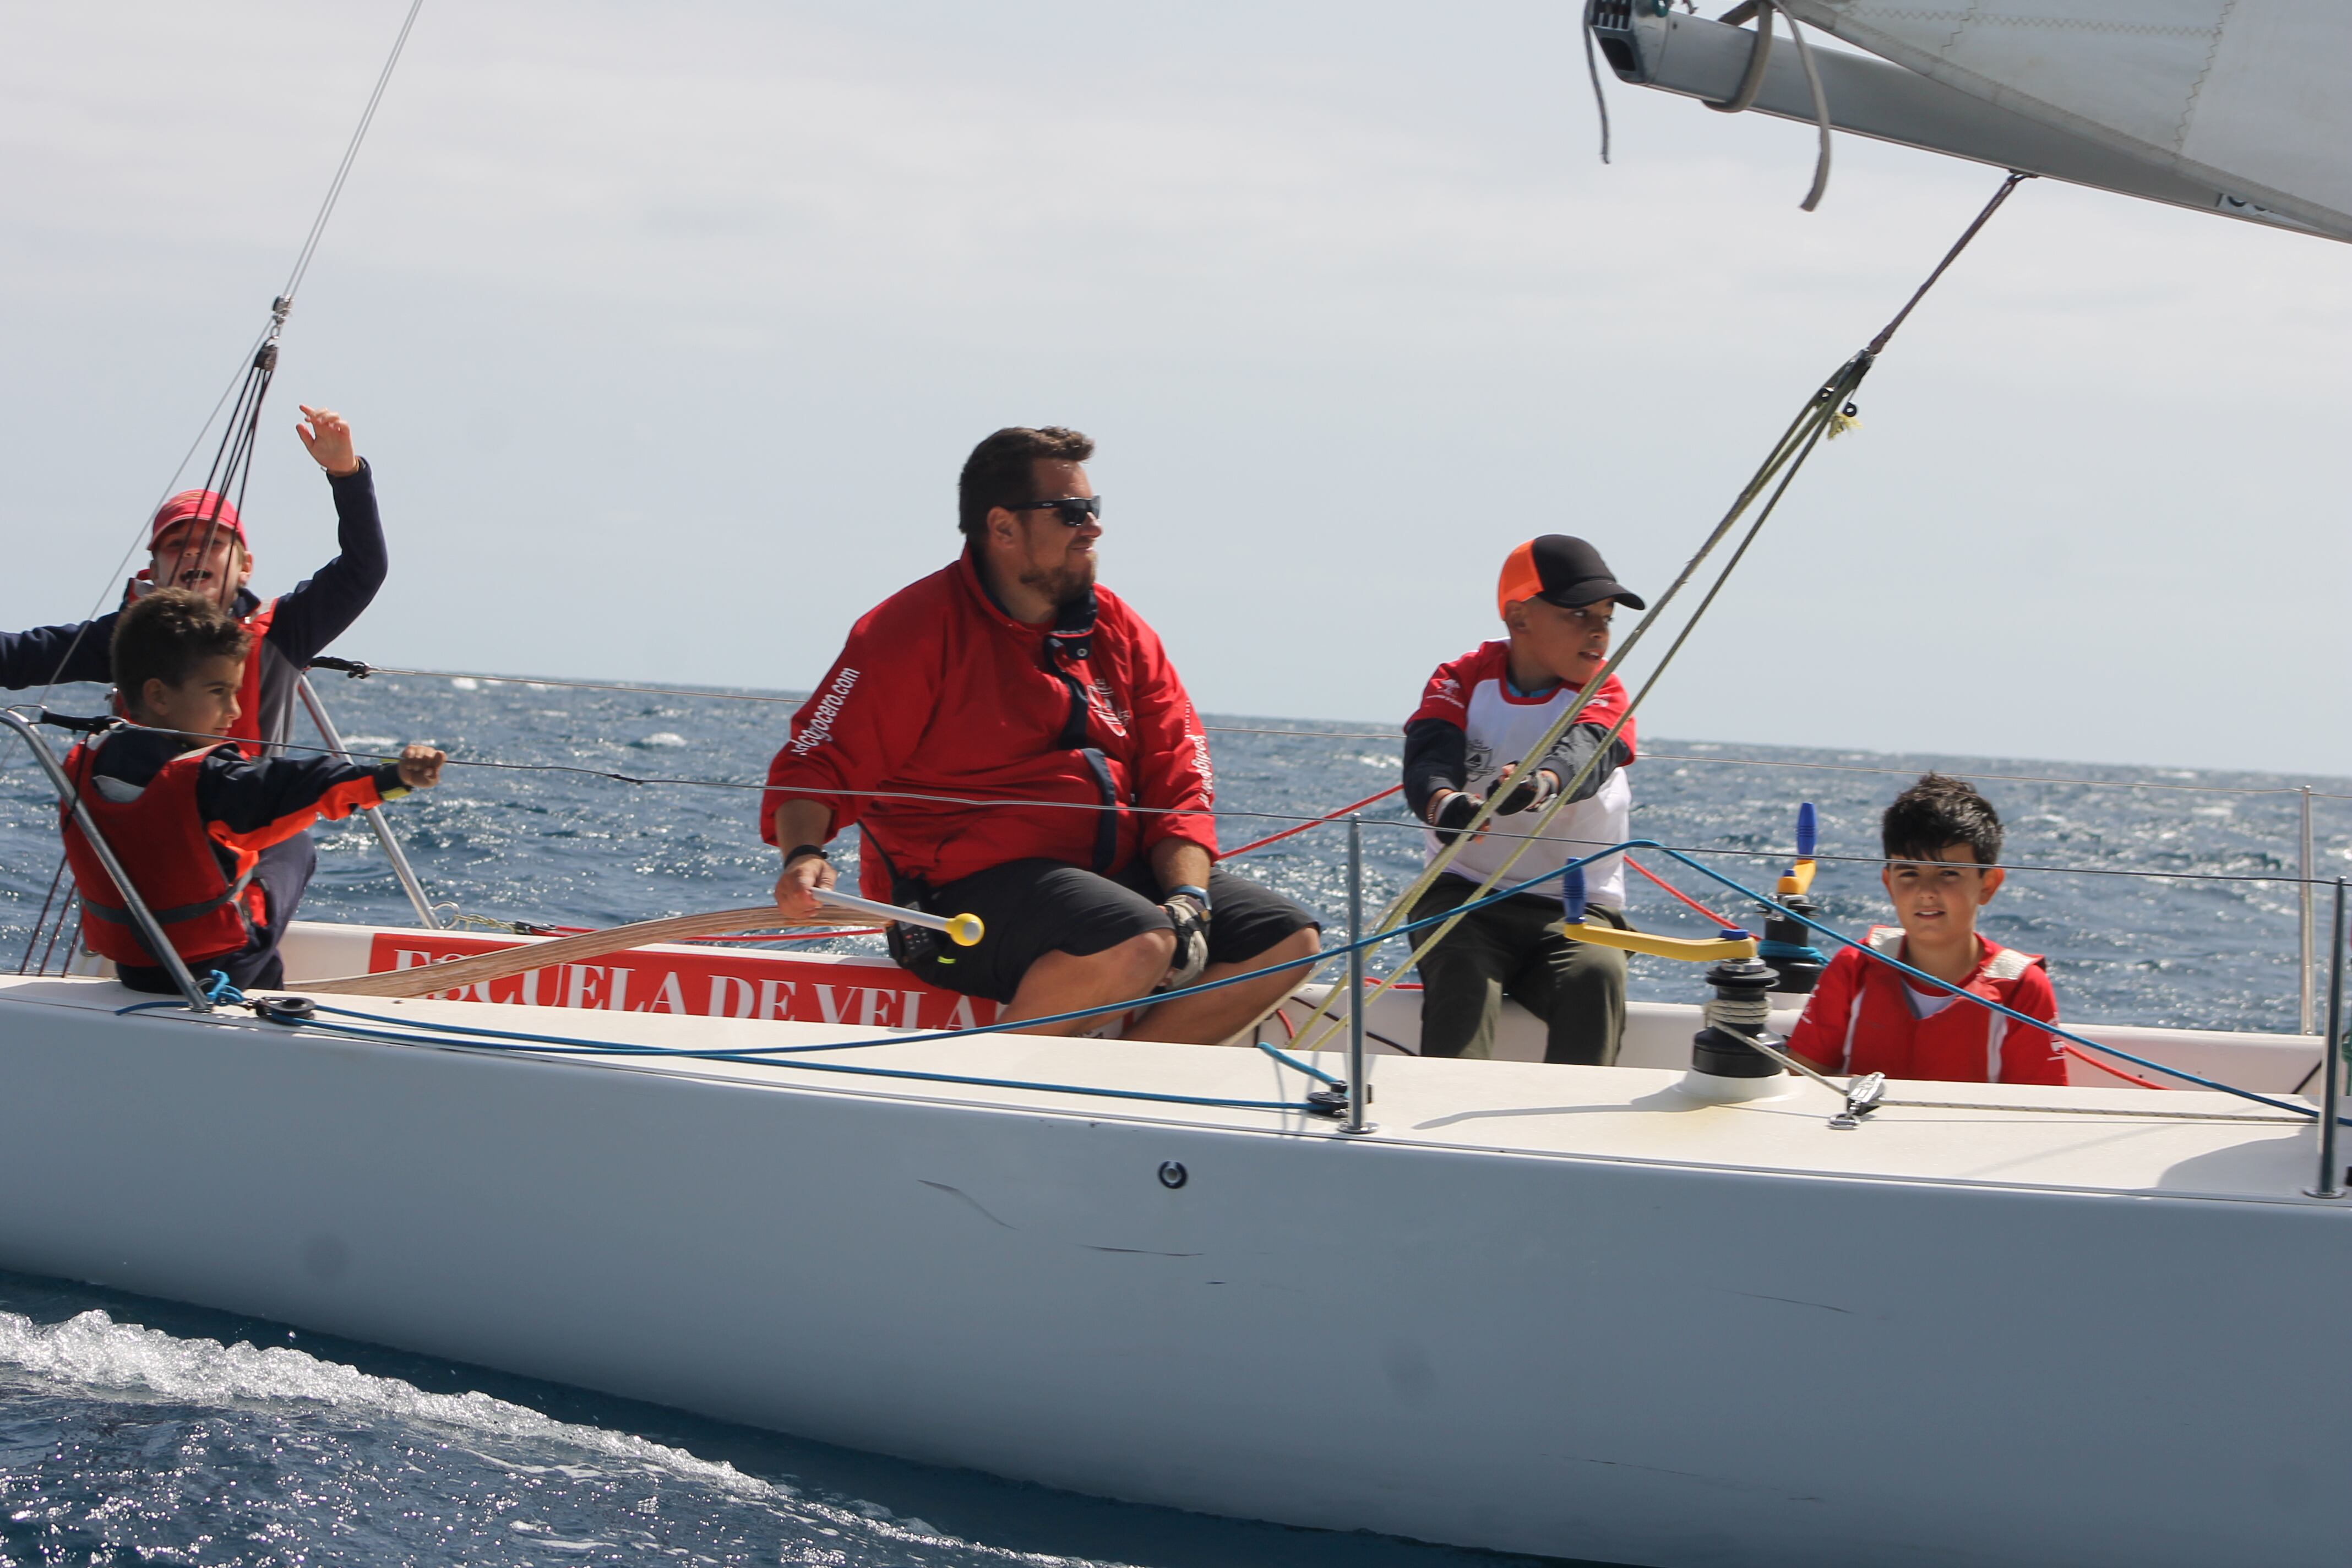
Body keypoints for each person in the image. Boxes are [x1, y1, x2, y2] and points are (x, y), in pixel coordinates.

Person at [762, 426, 1321, 1042]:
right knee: (1136, 937)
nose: (1094, 527)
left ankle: (1115, 1103)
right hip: (953, 906)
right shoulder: (911, 630)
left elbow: (1178, 781)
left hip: (1107, 884)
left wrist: (1189, 896)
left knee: (1287, 938)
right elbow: (817, 759)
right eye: (1074, 512)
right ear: (1003, 527)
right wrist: (804, 855)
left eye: (1095, 510)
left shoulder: (1122, 631)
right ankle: (986, 1107)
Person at [57, 588, 444, 995]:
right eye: (218, 692)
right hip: (215, 967)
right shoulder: (208, 778)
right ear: (158, 695)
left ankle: (267, 977)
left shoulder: (86, 759)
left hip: (134, 968)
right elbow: (303, 786)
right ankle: (264, 990)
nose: (235, 711)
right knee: (291, 842)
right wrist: (396, 779)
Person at [2, 404, 386, 754]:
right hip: (157, 816)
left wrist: (346, 474)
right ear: (153, 573)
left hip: (248, 820)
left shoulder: (288, 629)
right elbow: (22, 657)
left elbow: (363, 569)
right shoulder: (128, 637)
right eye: (175, 545)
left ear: (244, 566)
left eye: (212, 543)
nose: (192, 551)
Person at [1401, 535, 1646, 1064]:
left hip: (1577, 908)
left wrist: (1539, 783)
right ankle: (1440, 1136)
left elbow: (1587, 751)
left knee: (1596, 975)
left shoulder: (1606, 692)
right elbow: (1429, 757)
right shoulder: (1459, 678)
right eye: (1578, 614)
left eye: (1606, 616)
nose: (1599, 631)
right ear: (1519, 617)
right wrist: (1445, 804)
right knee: (1461, 970)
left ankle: (1573, 1138)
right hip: (1465, 896)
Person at [1785, 774, 2064, 1085]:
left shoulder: (2022, 990)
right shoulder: (1854, 969)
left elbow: (2039, 1115)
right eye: (1909, 873)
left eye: (1948, 873)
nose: (1927, 891)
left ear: (1988, 885)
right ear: (1889, 883)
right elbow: (1800, 1084)